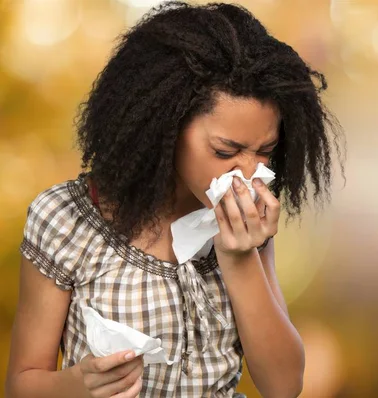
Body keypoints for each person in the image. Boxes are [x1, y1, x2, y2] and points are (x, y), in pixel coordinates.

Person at [4, 1, 344, 397]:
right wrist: (78, 386)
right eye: (225, 151)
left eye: (265, 150)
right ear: (164, 126)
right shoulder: (66, 220)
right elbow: (21, 386)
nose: (249, 173)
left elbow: (284, 386)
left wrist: (239, 258)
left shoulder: (245, 225)